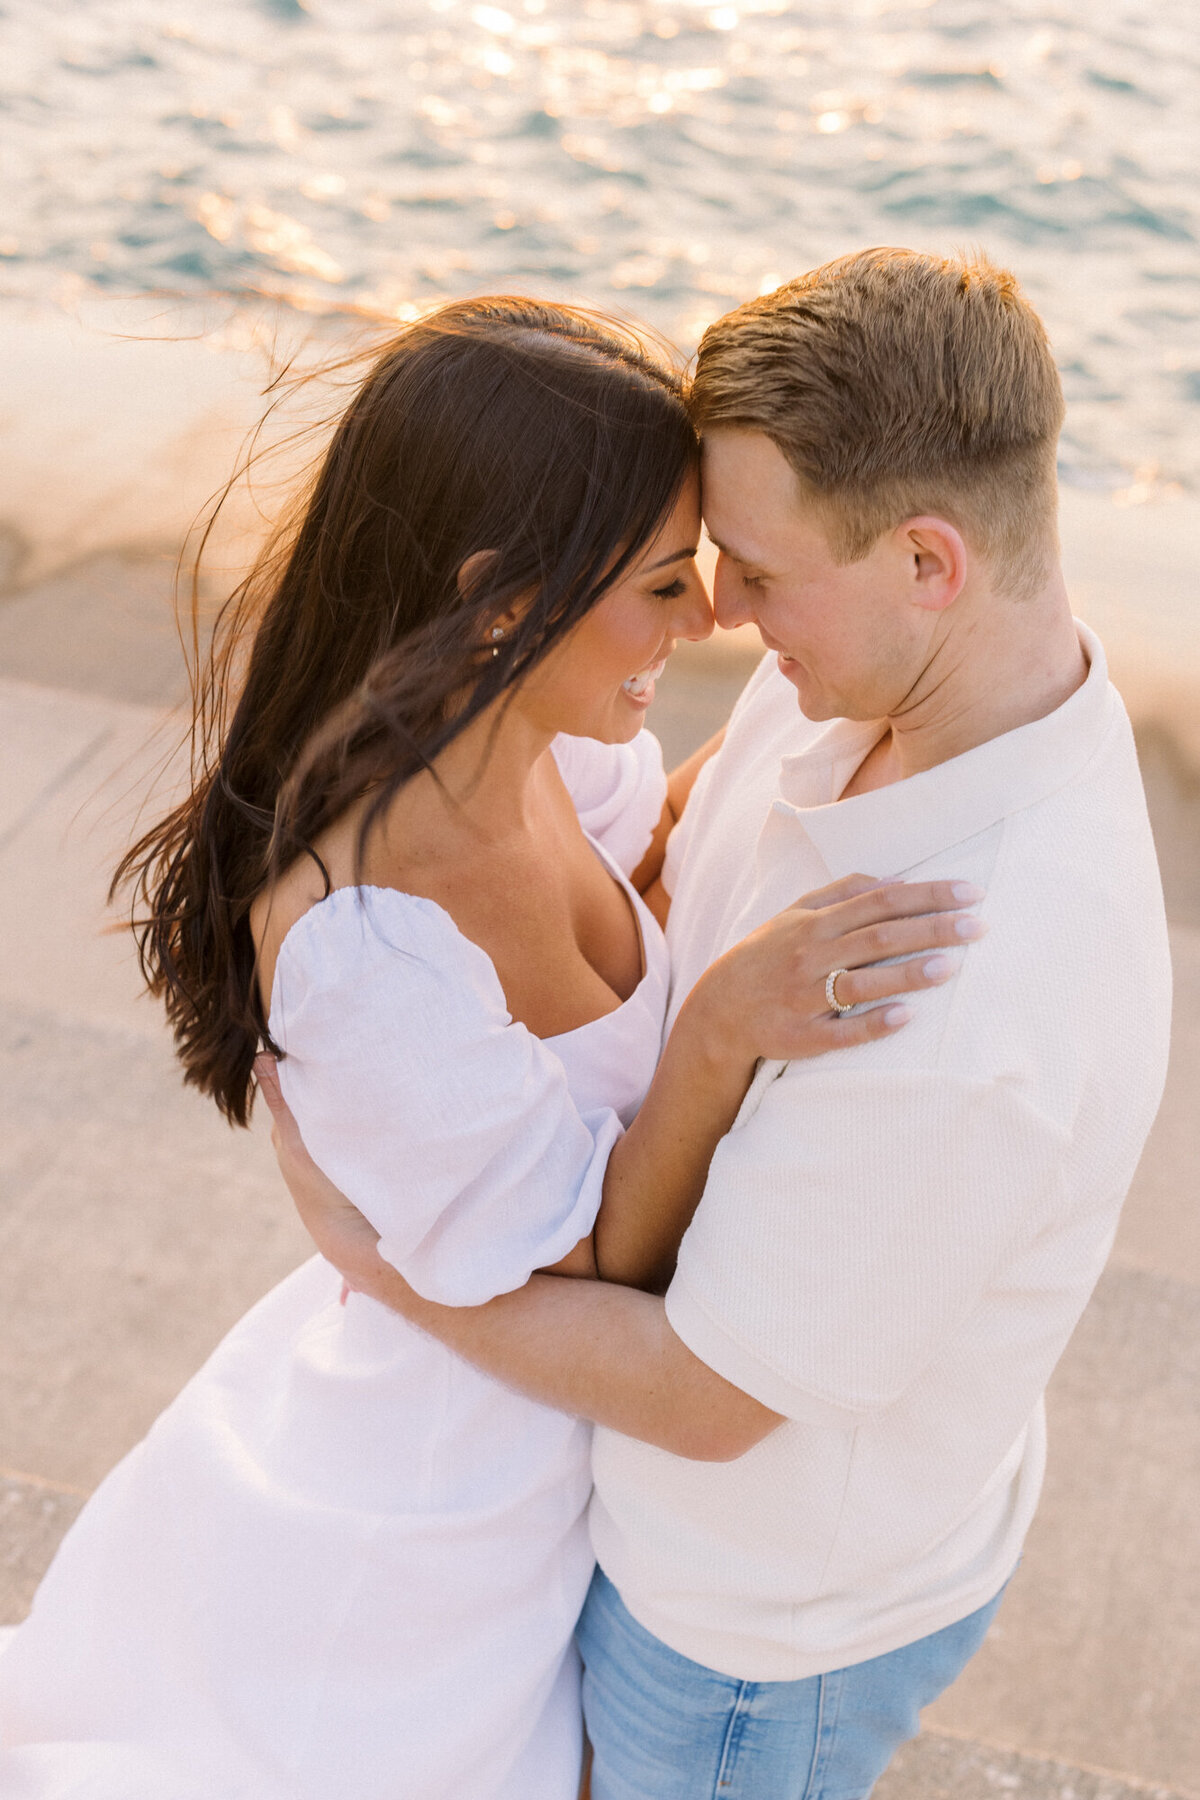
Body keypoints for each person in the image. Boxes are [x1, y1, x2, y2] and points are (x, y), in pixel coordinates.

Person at [0, 297, 969, 1800]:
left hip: (532, 1481)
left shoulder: (556, 750)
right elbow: (583, 1266)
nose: (707, 619)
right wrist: (714, 1033)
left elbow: (648, 869)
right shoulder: (364, 941)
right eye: (662, 584)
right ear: (501, 601)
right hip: (425, 1533)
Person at [260, 250, 1173, 1800]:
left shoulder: (967, 990)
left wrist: (387, 1260)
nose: (721, 614)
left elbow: (703, 1396)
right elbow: (669, 860)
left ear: (928, 561)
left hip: (743, 1641)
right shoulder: (865, 680)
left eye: (752, 568)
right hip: (680, 1543)